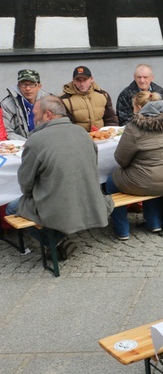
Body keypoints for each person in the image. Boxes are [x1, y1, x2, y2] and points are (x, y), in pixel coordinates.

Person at [5, 95, 114, 258]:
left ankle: (54, 242)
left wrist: (32, 195)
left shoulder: (35, 141)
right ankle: (59, 238)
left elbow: (26, 184)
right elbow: (93, 165)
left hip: (60, 205)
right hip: (91, 198)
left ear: (48, 115)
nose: (33, 119)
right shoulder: (82, 133)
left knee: (11, 207)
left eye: (35, 115)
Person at [104, 92, 163, 240]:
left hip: (151, 181)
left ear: (139, 107)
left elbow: (121, 160)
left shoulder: (135, 127)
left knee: (111, 182)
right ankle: (155, 223)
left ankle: (121, 230)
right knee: (148, 175)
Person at [60, 66, 119, 131]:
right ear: (73, 81)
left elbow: (110, 118)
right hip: (78, 137)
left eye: (85, 80)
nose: (82, 84)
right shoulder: (64, 99)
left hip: (102, 137)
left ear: (92, 79)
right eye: (78, 80)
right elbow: (66, 125)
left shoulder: (103, 95)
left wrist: (110, 133)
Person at [2, 69, 49, 140]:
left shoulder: (49, 101)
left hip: (44, 142)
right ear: (18, 86)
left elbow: (56, 127)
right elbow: (7, 132)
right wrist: (28, 143)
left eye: (32, 84)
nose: (27, 88)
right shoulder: (7, 104)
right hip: (20, 145)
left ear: (39, 86)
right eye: (23, 84)